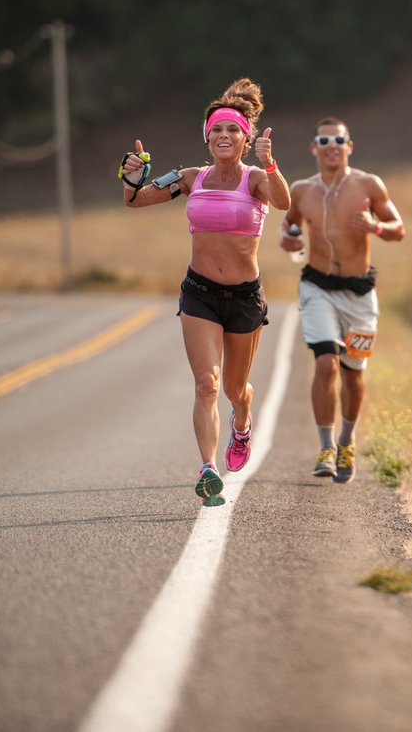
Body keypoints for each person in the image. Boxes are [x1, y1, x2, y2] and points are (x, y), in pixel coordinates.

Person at [120, 78, 290, 506]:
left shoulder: (256, 180)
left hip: (244, 298)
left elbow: (284, 202)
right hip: (199, 293)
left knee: (235, 390)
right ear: (207, 137)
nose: (224, 136)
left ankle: (243, 421)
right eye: (216, 129)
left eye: (232, 129)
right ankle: (208, 469)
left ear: (246, 138)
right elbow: (136, 200)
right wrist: (132, 177)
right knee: (206, 385)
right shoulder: (190, 177)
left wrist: (271, 166)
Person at [279, 117, 405, 483]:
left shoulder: (369, 185)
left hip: (360, 295)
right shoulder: (302, 190)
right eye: (324, 139)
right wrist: (289, 239)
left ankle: (348, 441)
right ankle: (326, 447)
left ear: (350, 146)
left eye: (339, 139)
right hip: (317, 287)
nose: (331, 145)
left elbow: (400, 229)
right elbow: (288, 224)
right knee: (325, 365)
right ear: (314, 147)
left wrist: (375, 227)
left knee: (353, 374)